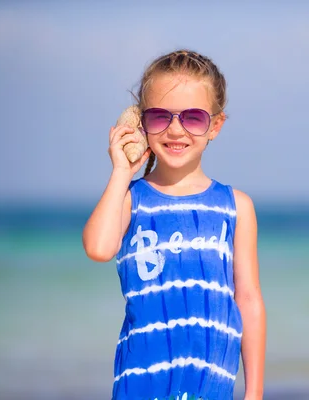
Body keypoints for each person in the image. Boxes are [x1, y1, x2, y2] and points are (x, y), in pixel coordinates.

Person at [82, 49, 266, 400]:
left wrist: (254, 392)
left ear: (215, 125)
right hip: (141, 386)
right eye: (159, 117)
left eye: (193, 118)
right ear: (140, 122)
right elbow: (98, 248)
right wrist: (122, 171)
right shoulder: (131, 200)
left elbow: (249, 300)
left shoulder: (237, 208)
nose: (175, 129)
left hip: (210, 387)